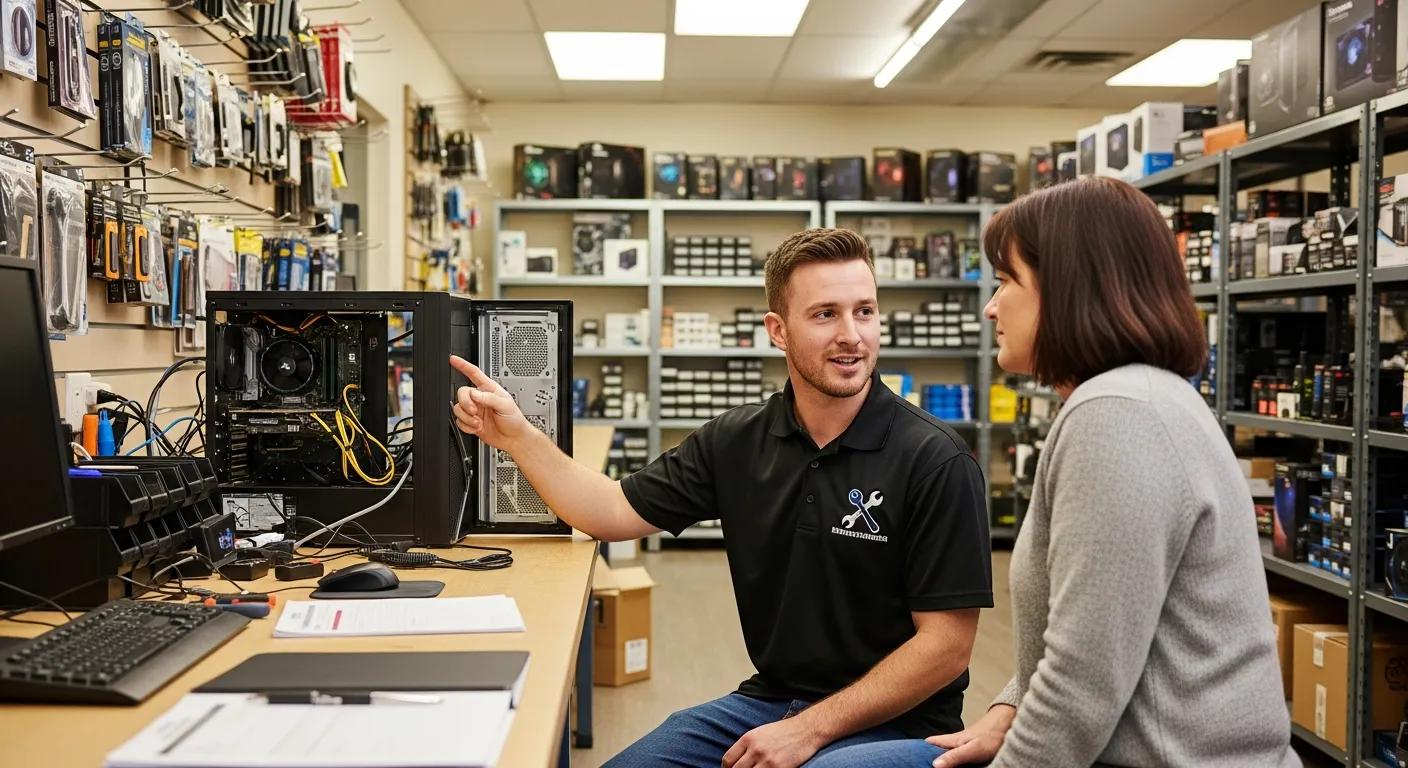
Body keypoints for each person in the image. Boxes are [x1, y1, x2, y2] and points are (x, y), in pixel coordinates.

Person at [451, 227, 992, 768]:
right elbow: (612, 511)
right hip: (772, 702)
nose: (852, 335)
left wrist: (809, 730)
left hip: (899, 724)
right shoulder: (738, 440)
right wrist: (517, 435)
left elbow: (945, 648)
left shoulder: (936, 460)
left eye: (865, 311)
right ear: (777, 331)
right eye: (825, 314)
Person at [809, 176, 1299, 768]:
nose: (991, 305)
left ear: (1070, 289)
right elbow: (1094, 629)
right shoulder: (1132, 398)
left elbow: (1082, 681)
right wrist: (1008, 710)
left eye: (1008, 280)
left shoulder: (1118, 418)